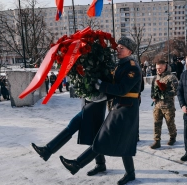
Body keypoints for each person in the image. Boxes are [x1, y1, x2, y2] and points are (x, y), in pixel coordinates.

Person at [59, 37, 142, 185]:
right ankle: (130, 173)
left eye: (122, 48)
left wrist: (101, 85)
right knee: (124, 142)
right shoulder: (120, 66)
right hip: (119, 106)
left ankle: (77, 164)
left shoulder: (132, 67)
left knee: (103, 138)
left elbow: (122, 89)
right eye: (118, 47)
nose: (118, 49)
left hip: (126, 109)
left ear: (130, 51)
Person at [31, 99, 108, 175]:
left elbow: (104, 92)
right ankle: (100, 164)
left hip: (96, 104)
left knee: (74, 124)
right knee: (95, 134)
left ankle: (47, 150)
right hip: (90, 103)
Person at [150, 60, 178, 149]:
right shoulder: (155, 78)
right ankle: (157, 140)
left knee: (170, 123)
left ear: (165, 67)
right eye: (157, 68)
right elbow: (152, 90)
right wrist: (153, 96)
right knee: (156, 123)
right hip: (157, 105)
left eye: (160, 68)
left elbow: (176, 91)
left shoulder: (171, 77)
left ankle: (172, 136)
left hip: (168, 105)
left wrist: (164, 93)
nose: (158, 70)